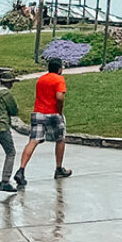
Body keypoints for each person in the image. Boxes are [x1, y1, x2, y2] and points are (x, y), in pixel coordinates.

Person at [16, 57, 72, 186]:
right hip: (52, 113)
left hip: (38, 113)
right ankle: (59, 168)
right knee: (60, 139)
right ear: (59, 69)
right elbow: (59, 97)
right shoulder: (59, 79)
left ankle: (21, 169)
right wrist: (60, 110)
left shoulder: (41, 79)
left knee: (33, 141)